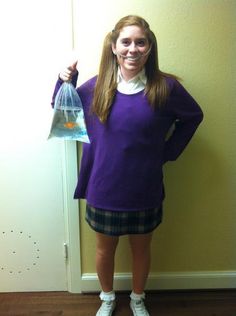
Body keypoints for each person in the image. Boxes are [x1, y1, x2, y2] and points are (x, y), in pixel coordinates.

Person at [52, 15, 203, 316]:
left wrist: (168, 152)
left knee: (141, 249)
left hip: (144, 188)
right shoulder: (96, 87)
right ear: (113, 46)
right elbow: (63, 111)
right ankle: (107, 298)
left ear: (149, 48)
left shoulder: (165, 88)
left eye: (140, 42)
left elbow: (193, 117)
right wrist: (64, 80)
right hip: (103, 187)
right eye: (126, 42)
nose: (132, 49)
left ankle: (137, 298)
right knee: (104, 250)